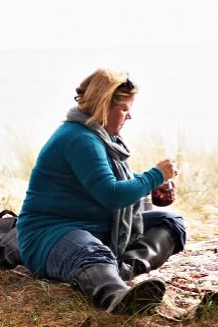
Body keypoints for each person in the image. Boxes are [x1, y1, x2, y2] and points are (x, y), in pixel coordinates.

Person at [16, 69, 185, 314]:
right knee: (89, 250)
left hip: (96, 227)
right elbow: (112, 194)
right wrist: (155, 175)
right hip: (50, 234)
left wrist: (150, 188)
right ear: (105, 106)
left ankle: (121, 270)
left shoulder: (102, 138)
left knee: (170, 223)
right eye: (125, 109)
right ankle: (116, 297)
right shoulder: (79, 138)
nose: (129, 117)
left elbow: (106, 184)